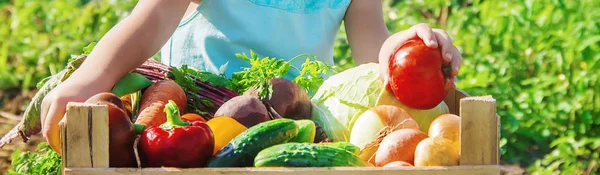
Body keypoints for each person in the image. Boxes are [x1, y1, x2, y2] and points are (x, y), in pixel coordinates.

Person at [40, 0, 463, 151]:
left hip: (299, 127)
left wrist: (401, 52)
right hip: (196, 127)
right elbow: (151, 17)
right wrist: (92, 76)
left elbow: (372, 45)